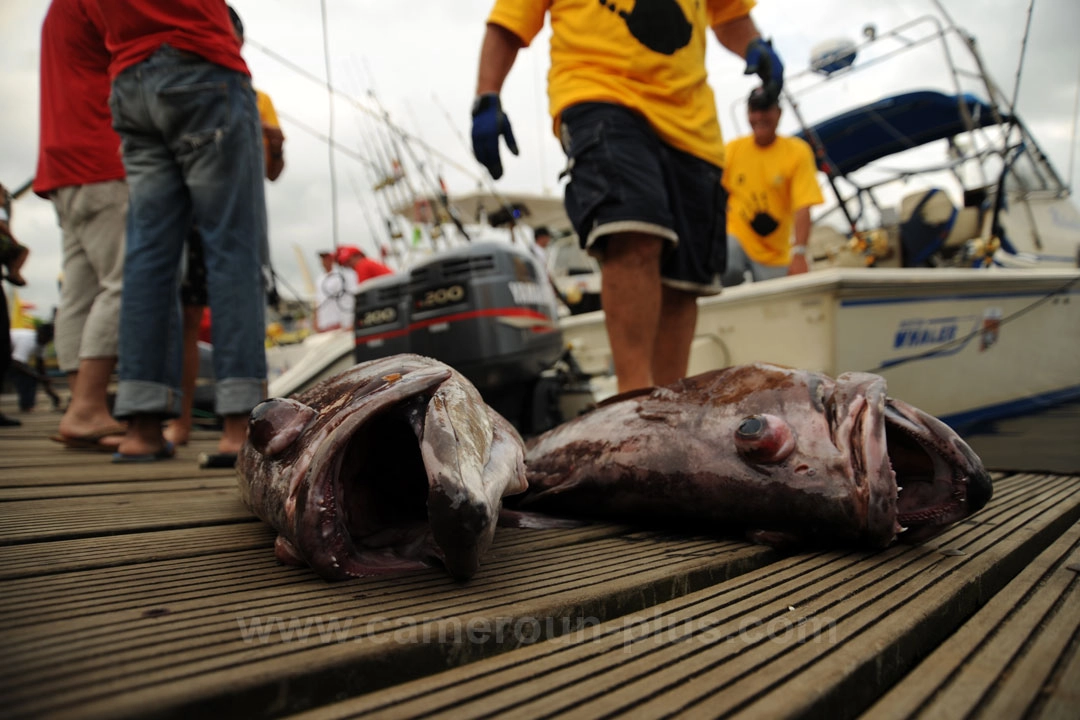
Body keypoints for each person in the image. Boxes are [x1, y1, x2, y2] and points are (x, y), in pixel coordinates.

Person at [471, 0, 784, 393]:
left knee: (685, 279)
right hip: (599, 93)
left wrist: (756, 46)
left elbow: (729, 14)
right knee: (634, 232)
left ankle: (669, 409)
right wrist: (487, 95)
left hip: (693, 125)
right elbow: (509, 21)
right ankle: (632, 401)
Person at [84, 0, 269, 462]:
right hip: (200, 62)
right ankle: (236, 429)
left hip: (129, 76)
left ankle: (142, 430)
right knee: (232, 248)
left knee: (147, 255)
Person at [164, 5, 285, 450]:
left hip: (237, 214)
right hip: (191, 216)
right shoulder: (179, 90)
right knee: (187, 319)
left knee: (242, 306)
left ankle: (242, 428)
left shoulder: (257, 97)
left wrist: (273, 144)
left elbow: (273, 172)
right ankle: (178, 421)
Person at [34, 0, 128, 451]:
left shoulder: (56, 10)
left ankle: (82, 406)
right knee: (122, 281)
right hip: (100, 151)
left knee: (78, 291)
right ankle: (89, 406)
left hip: (60, 161)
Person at [721, 86, 824, 286]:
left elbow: (804, 205)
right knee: (726, 259)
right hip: (737, 238)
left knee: (781, 299)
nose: (759, 116)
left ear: (779, 113)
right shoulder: (732, 150)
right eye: (753, 110)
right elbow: (713, 195)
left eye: (765, 109)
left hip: (776, 252)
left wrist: (800, 252)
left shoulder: (797, 151)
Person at [313, 250, 358, 333]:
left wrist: (352, 321)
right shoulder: (319, 279)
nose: (324, 261)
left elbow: (353, 295)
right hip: (324, 323)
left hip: (340, 321)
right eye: (323, 259)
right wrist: (316, 320)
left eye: (327, 258)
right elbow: (317, 301)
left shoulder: (344, 274)